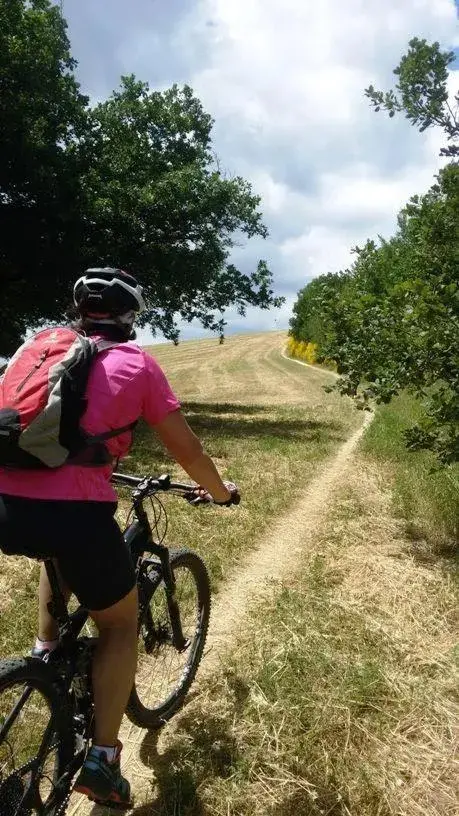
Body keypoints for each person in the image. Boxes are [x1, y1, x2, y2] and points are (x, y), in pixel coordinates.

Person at [0, 268, 239, 809]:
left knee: (53, 548)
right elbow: (188, 451)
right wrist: (220, 493)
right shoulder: (137, 364)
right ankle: (103, 762)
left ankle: (46, 651)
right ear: (131, 316)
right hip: (75, 514)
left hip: (7, 506)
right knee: (120, 624)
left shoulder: (37, 348)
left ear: (79, 309)